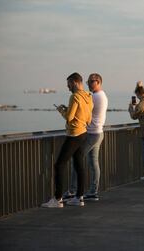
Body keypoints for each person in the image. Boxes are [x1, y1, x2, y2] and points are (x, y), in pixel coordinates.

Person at [42, 72, 93, 208]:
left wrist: (61, 110)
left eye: (69, 84)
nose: (68, 87)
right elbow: (88, 118)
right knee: (78, 165)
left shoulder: (75, 96)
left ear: (75, 82)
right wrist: (70, 111)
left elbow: (69, 117)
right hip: (83, 133)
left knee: (59, 165)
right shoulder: (88, 96)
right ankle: (79, 198)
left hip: (74, 134)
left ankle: (57, 199)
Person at [63, 73, 108, 202]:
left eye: (91, 82)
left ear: (98, 81)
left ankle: (73, 190)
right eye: (87, 82)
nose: (88, 84)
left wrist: (67, 111)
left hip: (91, 133)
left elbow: (81, 110)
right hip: (99, 132)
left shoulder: (94, 96)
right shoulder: (103, 95)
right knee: (94, 163)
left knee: (77, 160)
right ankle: (93, 191)